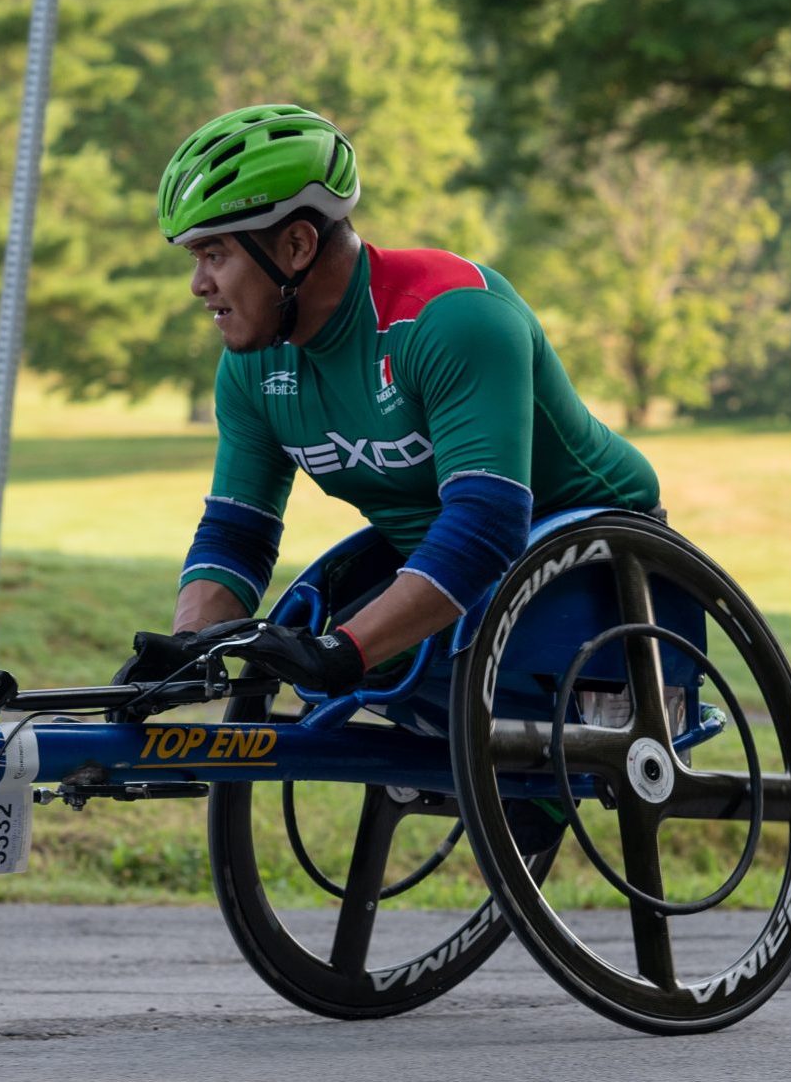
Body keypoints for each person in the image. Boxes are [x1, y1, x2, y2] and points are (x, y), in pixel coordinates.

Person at [120, 103, 661, 699]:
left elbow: (487, 523)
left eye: (215, 254)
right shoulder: (251, 368)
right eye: (194, 259)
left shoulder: (451, 317)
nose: (198, 284)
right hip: (446, 569)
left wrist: (343, 650)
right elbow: (237, 532)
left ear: (297, 245)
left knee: (361, 663)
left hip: (592, 562)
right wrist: (193, 646)